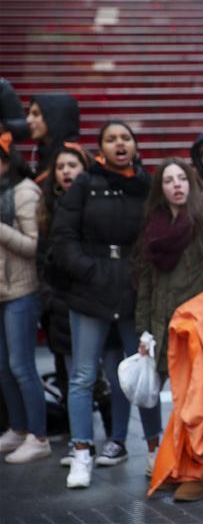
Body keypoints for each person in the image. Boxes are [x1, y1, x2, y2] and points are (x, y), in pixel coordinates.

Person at [51, 121, 162, 489]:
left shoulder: (146, 185)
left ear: (135, 146)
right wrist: (88, 270)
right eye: (111, 139)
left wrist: (141, 275)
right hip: (90, 290)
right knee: (83, 376)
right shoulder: (86, 184)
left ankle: (155, 450)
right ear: (100, 148)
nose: (119, 144)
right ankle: (81, 452)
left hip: (133, 290)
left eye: (125, 138)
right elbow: (63, 236)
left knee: (141, 372)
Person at [134, 158, 203, 501]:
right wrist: (144, 331)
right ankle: (178, 468)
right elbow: (146, 282)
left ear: (191, 183)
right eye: (169, 180)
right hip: (164, 327)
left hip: (200, 327)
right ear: (160, 188)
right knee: (181, 402)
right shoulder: (153, 227)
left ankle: (198, 472)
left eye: (182, 178)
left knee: (197, 404)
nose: (177, 185)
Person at [35, 143, 117, 461]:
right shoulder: (48, 207)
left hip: (94, 298)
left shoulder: (96, 202)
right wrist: (49, 298)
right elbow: (43, 257)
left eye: (72, 165)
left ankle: (114, 436)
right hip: (59, 303)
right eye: (60, 167)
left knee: (100, 377)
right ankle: (80, 441)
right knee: (71, 376)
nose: (66, 171)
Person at [0, 133, 50, 463]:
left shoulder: (24, 192)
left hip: (22, 290)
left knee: (21, 366)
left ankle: (39, 436)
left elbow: (34, 245)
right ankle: (17, 429)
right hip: (1, 292)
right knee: (3, 368)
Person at [25, 94, 80, 182]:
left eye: (36, 114)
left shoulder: (74, 156)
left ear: (55, 117)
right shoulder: (43, 153)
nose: (28, 120)